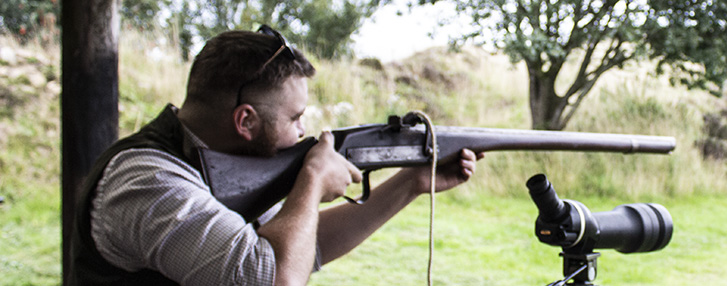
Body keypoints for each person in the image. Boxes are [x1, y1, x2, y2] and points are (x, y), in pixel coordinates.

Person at [65, 25, 480, 285]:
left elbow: (303, 250)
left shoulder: (220, 157)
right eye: (295, 117)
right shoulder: (146, 181)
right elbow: (273, 278)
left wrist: (411, 182)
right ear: (245, 121)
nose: (305, 131)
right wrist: (312, 181)